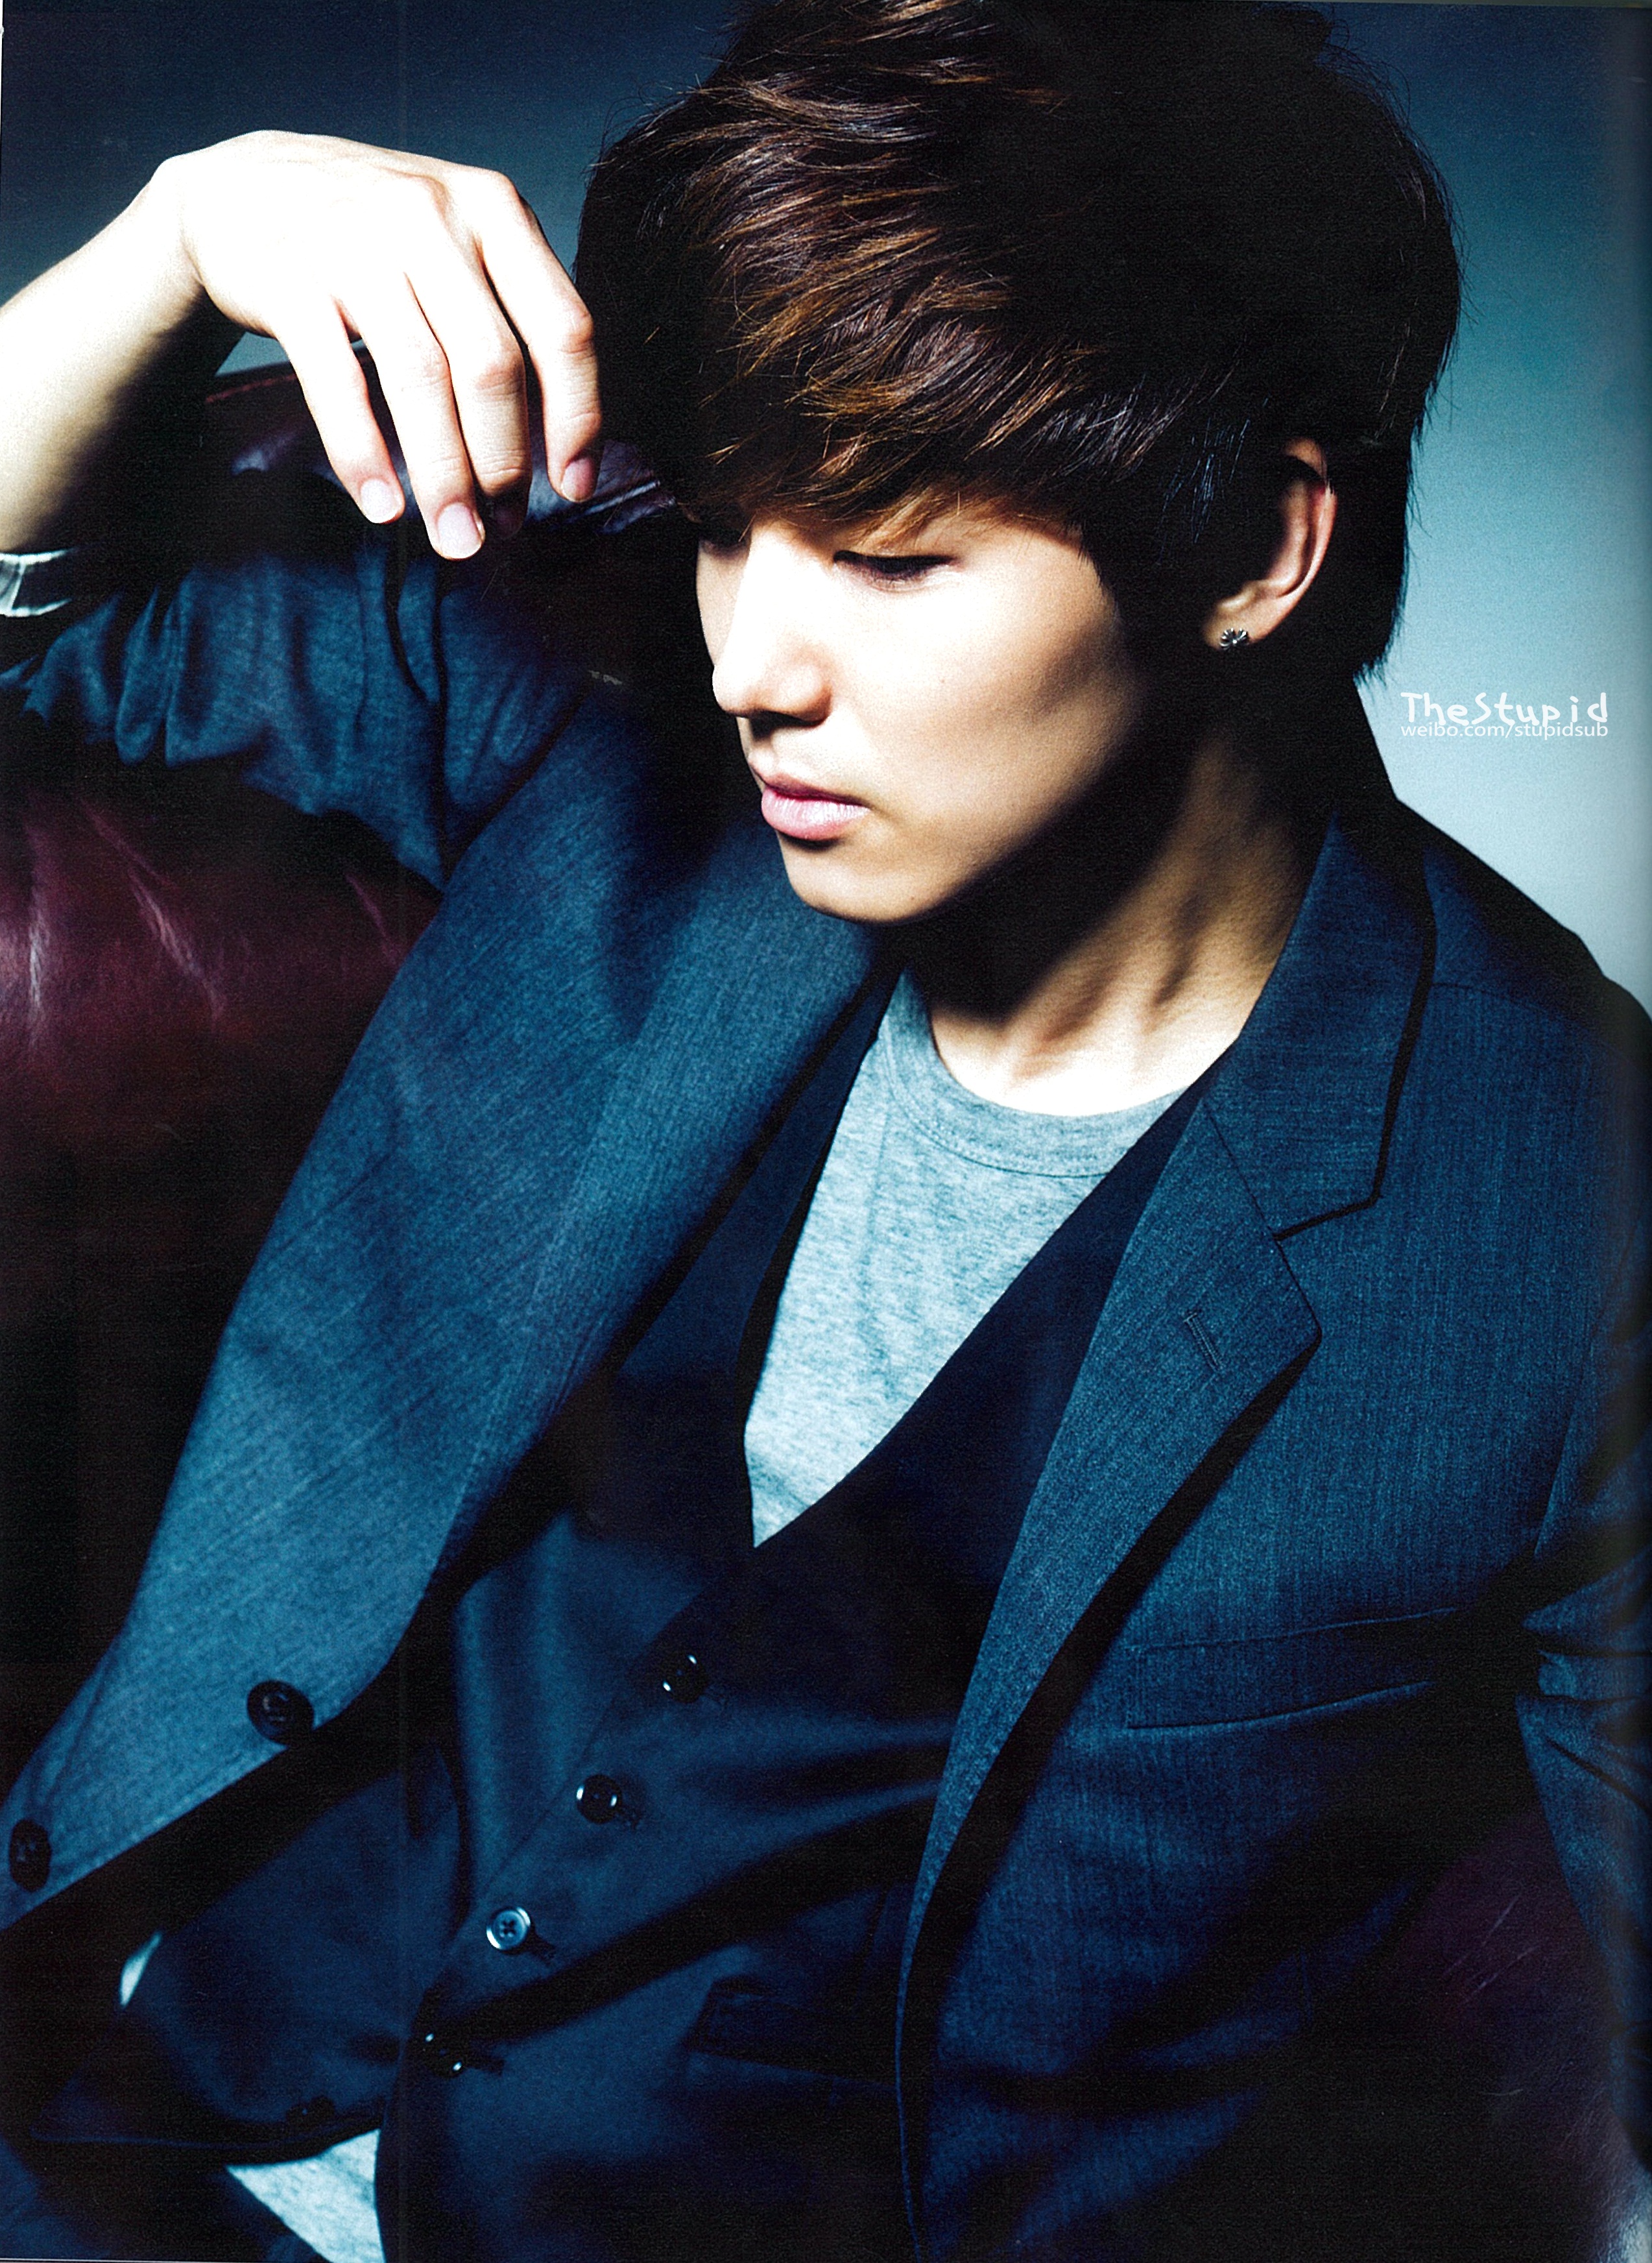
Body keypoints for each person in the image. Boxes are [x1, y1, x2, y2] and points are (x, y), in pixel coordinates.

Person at [0, 3, 1645, 2258]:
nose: (753, 664)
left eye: (886, 560)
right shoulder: (592, 748)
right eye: (727, 535)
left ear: (1256, 546)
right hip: (115, 2124)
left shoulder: (1562, 1217)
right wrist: (173, 241)